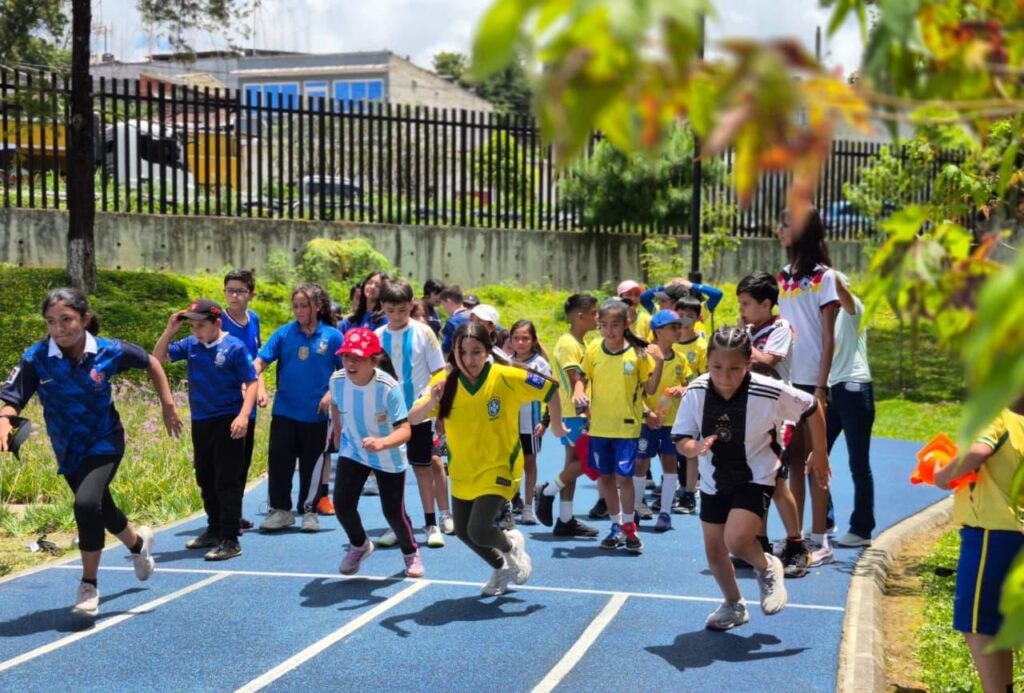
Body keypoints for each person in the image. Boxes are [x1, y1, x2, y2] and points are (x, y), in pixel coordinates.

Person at [0, 288, 182, 616]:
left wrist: (168, 405)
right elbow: (13, 398)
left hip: (105, 441)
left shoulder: (109, 350)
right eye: (51, 321)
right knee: (102, 508)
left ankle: (88, 585)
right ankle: (139, 545)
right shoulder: (36, 357)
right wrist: (4, 420)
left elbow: (152, 362)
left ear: (84, 319)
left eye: (66, 320)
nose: (59, 328)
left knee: (86, 504)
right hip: (67, 448)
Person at [672, 327, 829, 631]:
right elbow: (681, 439)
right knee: (714, 551)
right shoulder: (696, 391)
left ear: (748, 363)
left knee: (738, 540)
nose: (725, 376)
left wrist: (820, 453)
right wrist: (695, 447)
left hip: (756, 474)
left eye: (734, 368)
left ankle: (767, 567)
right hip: (714, 478)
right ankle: (734, 605)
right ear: (707, 362)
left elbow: (811, 406)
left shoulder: (768, 390)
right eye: (717, 367)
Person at [409, 322, 567, 596]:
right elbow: (412, 418)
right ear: (454, 352)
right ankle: (500, 567)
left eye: (476, 352)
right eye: (463, 353)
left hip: (500, 465)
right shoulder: (444, 383)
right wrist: (432, 400)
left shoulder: (505, 377)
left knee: (479, 530)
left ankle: (511, 546)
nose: (469, 359)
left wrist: (555, 424)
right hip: (464, 469)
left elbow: (551, 390)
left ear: (487, 351)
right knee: (463, 532)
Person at [154, 299, 258, 561]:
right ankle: (214, 529)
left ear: (217, 323)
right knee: (205, 477)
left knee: (226, 480)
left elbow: (251, 382)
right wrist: (169, 331)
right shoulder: (191, 345)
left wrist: (244, 416)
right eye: (192, 326)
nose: (196, 331)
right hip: (201, 421)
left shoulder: (234, 347)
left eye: (201, 325)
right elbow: (157, 359)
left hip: (228, 420)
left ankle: (231, 539)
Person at [935, 399, 1024, 693]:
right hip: (1014, 534)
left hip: (990, 535)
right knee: (996, 626)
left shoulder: (997, 414)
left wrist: (942, 476)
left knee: (978, 626)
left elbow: (978, 451)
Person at [329, 328, 425, 578]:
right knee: (342, 504)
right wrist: (337, 431)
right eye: (346, 356)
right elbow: (335, 404)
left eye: (358, 358)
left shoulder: (387, 387)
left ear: (374, 360)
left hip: (388, 454)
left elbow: (405, 430)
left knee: (393, 512)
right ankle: (360, 544)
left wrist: (382, 443)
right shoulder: (337, 380)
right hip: (353, 449)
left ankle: (411, 552)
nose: (350, 363)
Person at [574, 298, 664, 554]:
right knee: (605, 477)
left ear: (626, 323)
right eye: (603, 325)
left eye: (614, 325)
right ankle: (615, 525)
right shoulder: (594, 348)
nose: (609, 330)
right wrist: (578, 391)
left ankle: (629, 526)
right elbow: (582, 377)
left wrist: (659, 363)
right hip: (599, 426)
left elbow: (650, 389)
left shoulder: (638, 353)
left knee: (624, 477)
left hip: (627, 427)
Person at [776, 206, 840, 565]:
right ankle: (796, 537)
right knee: (795, 459)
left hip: (813, 382)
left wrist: (820, 387)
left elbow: (829, 339)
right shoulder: (783, 276)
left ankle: (821, 539)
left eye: (785, 225)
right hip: (788, 380)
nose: (779, 230)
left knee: (818, 462)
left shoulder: (825, 277)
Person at [254, 284, 343, 533]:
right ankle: (280, 511)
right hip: (284, 411)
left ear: (318, 306)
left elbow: (346, 371)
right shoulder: (284, 333)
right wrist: (253, 381)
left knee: (311, 466)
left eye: (305, 305)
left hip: (316, 416)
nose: (299, 310)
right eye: (296, 306)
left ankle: (309, 510)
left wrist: (330, 394)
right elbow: (260, 361)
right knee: (279, 463)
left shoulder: (333, 336)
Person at [736, 272, 808, 577]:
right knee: (756, 481)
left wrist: (740, 342)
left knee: (777, 482)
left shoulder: (780, 328)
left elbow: (767, 362)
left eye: (746, 304)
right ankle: (761, 543)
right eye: (740, 303)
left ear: (766, 304)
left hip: (778, 415)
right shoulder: (748, 330)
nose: (741, 310)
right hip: (751, 413)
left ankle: (796, 545)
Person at [373, 279, 450, 550]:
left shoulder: (424, 332)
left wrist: (433, 406)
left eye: (402, 310)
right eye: (390, 310)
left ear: (411, 305)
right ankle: (398, 524)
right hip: (387, 417)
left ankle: (431, 524)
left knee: (423, 468)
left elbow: (439, 372)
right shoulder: (377, 336)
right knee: (392, 472)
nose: (396, 316)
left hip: (419, 414)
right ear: (382, 307)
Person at [534, 294, 601, 538]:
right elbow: (575, 383)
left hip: (577, 414)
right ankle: (547, 491)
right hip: (575, 414)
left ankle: (565, 519)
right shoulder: (567, 344)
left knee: (572, 465)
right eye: (594, 313)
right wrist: (588, 414)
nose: (597, 317)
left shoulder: (581, 343)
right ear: (580, 316)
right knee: (588, 461)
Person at [633, 310, 694, 532]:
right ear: (658, 331)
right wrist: (646, 414)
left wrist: (683, 389)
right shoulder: (643, 357)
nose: (679, 331)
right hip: (646, 421)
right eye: (673, 327)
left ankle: (665, 512)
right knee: (641, 463)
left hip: (671, 422)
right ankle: (634, 511)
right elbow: (634, 390)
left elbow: (691, 384)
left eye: (680, 326)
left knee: (670, 462)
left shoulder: (680, 359)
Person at [827, 273, 876, 547]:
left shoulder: (853, 308)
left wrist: (827, 273)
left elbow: (844, 295)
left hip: (854, 390)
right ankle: (824, 519)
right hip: (832, 392)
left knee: (858, 462)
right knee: (814, 456)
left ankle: (861, 529)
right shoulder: (825, 319)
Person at [220, 269, 270, 528]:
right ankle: (221, 518)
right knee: (224, 465)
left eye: (240, 291)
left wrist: (260, 387)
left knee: (242, 461)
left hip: (248, 404)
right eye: (230, 291)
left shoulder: (254, 320)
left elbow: (254, 360)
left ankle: (235, 514)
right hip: (225, 402)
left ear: (252, 294)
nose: (235, 296)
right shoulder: (218, 321)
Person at [507, 320, 552, 526]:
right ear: (510, 340)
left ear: (533, 340)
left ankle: (528, 507)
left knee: (529, 463)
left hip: (530, 423)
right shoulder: (505, 362)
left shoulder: (540, 364)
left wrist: (545, 421)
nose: (520, 342)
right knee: (508, 464)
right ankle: (509, 504)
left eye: (525, 338)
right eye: (516, 338)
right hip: (508, 424)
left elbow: (551, 394)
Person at [439, 285, 471, 356]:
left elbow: (446, 351)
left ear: (449, 302)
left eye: (443, 304)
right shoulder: (476, 316)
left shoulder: (452, 322)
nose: (444, 308)